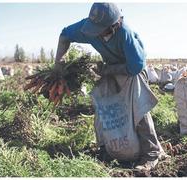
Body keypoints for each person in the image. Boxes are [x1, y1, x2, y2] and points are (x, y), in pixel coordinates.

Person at [54, 3, 168, 170]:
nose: (97, 34)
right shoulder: (87, 28)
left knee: (138, 108)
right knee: (102, 106)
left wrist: (107, 70)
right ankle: (105, 149)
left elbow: (136, 66)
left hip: (131, 71)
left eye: (101, 29)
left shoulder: (125, 34)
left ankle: (152, 153)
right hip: (108, 70)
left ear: (115, 25)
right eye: (94, 29)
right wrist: (58, 62)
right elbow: (64, 35)